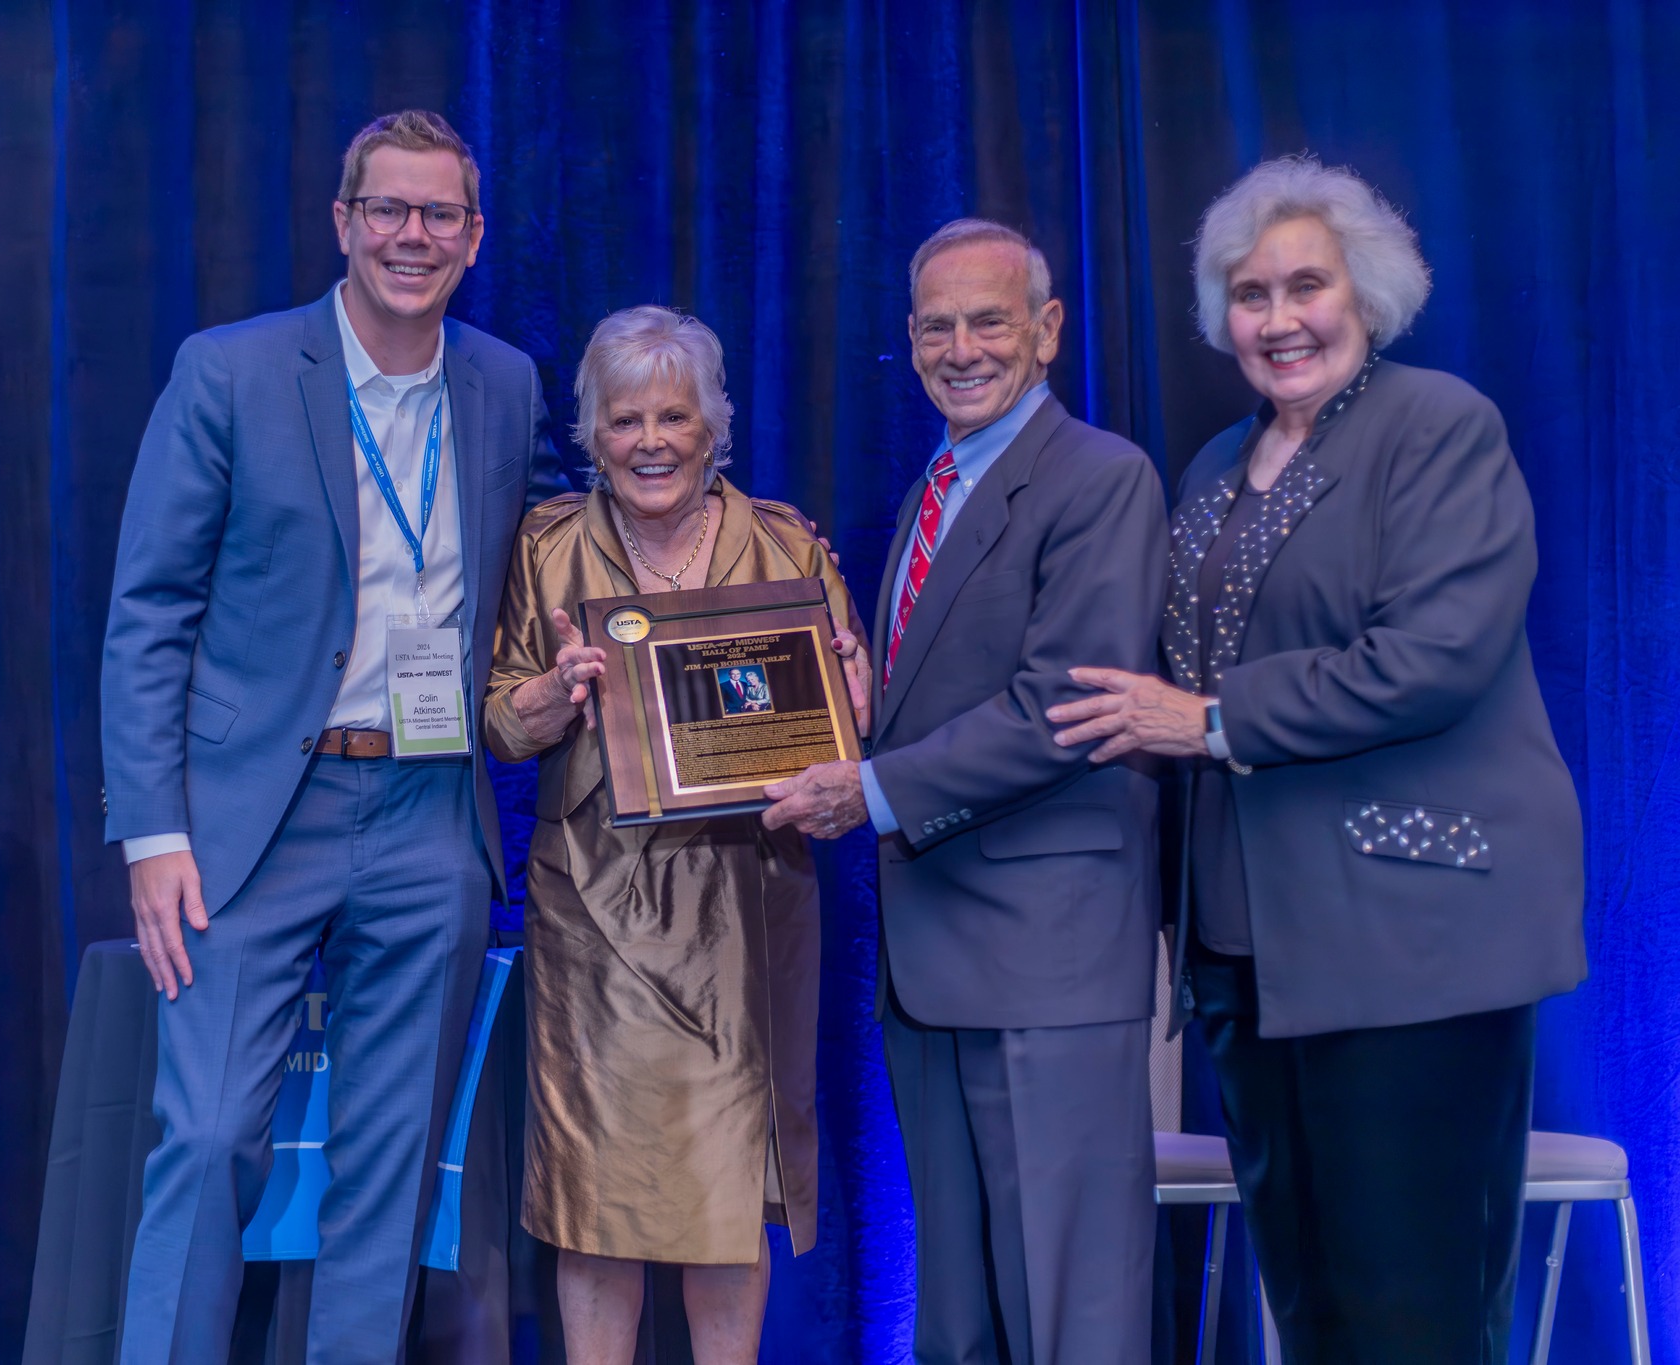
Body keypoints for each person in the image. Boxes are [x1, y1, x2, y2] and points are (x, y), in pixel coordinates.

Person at [1048, 156, 1585, 1362]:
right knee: (1309, 1305)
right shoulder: (1210, 470)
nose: (1278, 319)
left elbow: (1433, 658)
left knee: (1416, 1313)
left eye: (1306, 286)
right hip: (1252, 954)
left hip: (1410, 943)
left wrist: (1207, 720)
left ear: (1369, 294)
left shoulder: (1438, 426)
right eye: (1249, 293)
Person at [102, 110, 564, 1365]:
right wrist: (153, 830)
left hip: (429, 815)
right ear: (342, 222)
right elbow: (149, 610)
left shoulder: (505, 384)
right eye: (388, 210)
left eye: (440, 215)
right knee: (204, 1139)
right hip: (252, 818)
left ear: (472, 238)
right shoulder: (231, 371)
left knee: (392, 1161)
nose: (412, 236)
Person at [763, 220, 1168, 1364]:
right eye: (935, 325)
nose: (959, 347)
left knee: (1069, 1311)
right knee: (959, 1312)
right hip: (935, 955)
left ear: (1045, 331)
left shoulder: (1099, 478)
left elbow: (1062, 707)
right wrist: (851, 708)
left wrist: (868, 787)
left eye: (987, 319)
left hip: (1046, 959)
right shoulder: (934, 487)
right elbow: (945, 695)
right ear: (906, 337)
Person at [483, 305, 870, 1365]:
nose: (649, 440)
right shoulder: (544, 547)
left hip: (747, 902)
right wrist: (555, 698)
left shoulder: (787, 543)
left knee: (729, 1187)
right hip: (595, 913)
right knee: (593, 1196)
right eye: (623, 421)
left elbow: (844, 724)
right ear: (591, 434)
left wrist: (854, 695)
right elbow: (496, 720)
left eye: (672, 416)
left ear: (713, 429)